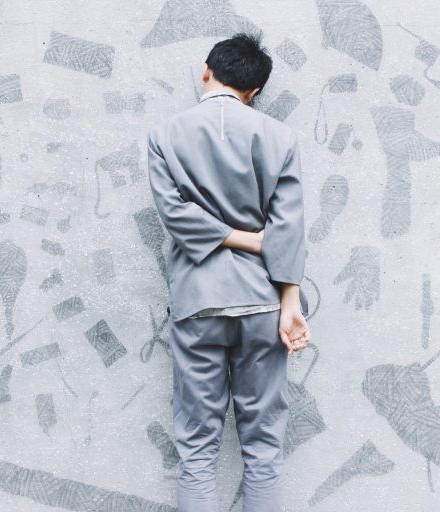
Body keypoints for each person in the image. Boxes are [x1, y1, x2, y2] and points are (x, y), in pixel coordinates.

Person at [147, 32, 311, 512]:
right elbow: (289, 227)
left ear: (206, 71)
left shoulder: (164, 135)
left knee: (197, 449)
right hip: (263, 303)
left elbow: (175, 216)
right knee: (263, 447)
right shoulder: (279, 137)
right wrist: (290, 302)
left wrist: (235, 236)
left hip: (197, 302)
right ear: (254, 91)